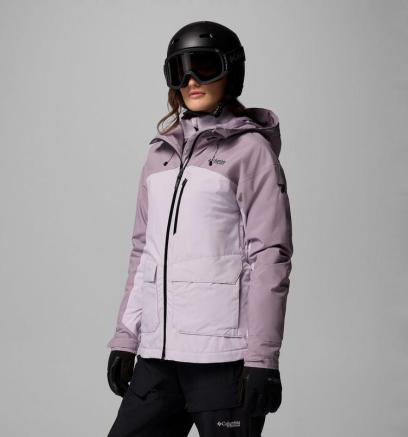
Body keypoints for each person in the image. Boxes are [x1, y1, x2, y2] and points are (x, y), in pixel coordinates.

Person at [106, 20, 293, 437]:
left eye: (204, 66)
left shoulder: (251, 152)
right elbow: (143, 253)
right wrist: (126, 338)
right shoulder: (159, 156)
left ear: (231, 71)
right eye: (180, 70)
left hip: (224, 361)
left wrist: (262, 358)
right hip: (159, 357)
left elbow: (270, 257)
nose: (191, 80)